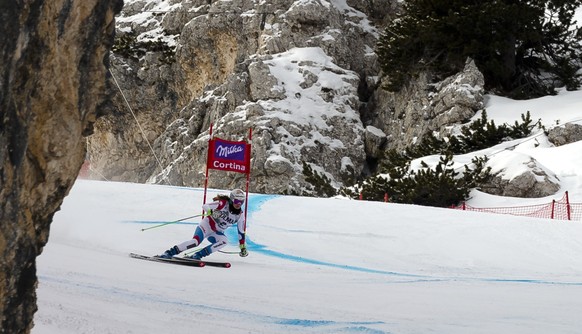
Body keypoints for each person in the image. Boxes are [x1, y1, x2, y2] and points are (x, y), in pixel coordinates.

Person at [159, 188, 249, 260]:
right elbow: (205, 206)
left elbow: (241, 232)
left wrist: (242, 247)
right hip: (206, 226)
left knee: (224, 241)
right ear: (232, 199)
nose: (239, 204)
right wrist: (211, 212)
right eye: (237, 201)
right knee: (195, 242)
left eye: (241, 202)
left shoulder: (240, 215)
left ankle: (198, 255)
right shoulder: (223, 203)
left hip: (216, 232)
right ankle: (170, 252)